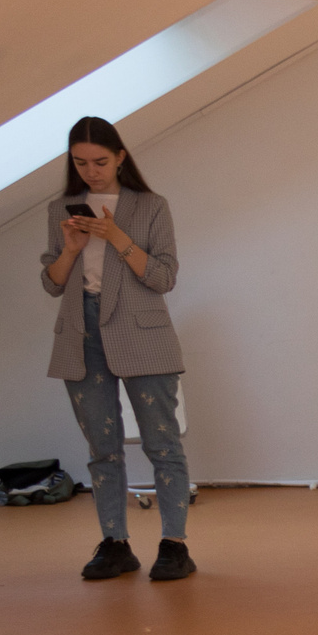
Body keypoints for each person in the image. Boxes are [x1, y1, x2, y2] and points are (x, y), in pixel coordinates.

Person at [38, 116, 195, 582]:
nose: (91, 170)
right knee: (101, 449)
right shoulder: (60, 208)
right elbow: (51, 284)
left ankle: (174, 543)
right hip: (80, 335)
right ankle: (115, 543)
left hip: (142, 333)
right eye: (80, 162)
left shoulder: (151, 206)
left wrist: (117, 239)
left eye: (101, 161)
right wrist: (70, 248)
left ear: (121, 156)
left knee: (162, 444)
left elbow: (163, 278)